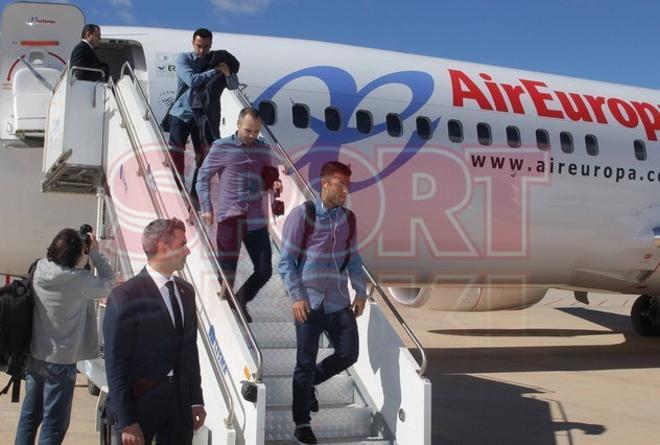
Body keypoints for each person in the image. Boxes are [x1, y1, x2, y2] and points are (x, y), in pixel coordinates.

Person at [278, 161, 368, 445]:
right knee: (304, 362)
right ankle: (302, 424)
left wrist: (361, 291)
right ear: (325, 184)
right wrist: (296, 296)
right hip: (309, 302)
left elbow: (353, 259)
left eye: (347, 186)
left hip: (338, 300)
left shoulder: (348, 219)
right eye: (340, 185)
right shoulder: (303, 215)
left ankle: (311, 386)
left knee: (349, 353)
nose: (345, 191)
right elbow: (286, 262)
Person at [103, 218, 205, 445]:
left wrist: (195, 399)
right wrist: (126, 420)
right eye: (182, 243)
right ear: (163, 247)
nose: (187, 250)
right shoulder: (125, 296)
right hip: (140, 407)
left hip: (179, 408)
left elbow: (189, 351)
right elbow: (115, 364)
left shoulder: (185, 292)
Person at [15, 228, 114, 445]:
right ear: (77, 255)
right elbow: (110, 281)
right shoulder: (78, 281)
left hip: (35, 356)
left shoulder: (40, 268)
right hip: (61, 362)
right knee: (55, 423)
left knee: (30, 417)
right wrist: (95, 253)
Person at [196, 107, 282, 322]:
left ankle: (241, 300)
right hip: (230, 216)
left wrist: (275, 182)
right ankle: (223, 317)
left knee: (264, 270)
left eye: (256, 131)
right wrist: (206, 208)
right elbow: (202, 178)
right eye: (248, 131)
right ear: (237, 125)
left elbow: (268, 174)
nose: (252, 136)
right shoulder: (222, 147)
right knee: (227, 272)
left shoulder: (263, 148)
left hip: (255, 218)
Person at [168, 28, 240, 200]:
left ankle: (194, 192)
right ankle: (177, 189)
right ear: (193, 43)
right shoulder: (183, 58)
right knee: (177, 149)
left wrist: (227, 72)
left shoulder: (215, 59)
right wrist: (215, 71)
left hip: (202, 115)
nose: (202, 51)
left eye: (206, 47)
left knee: (204, 154)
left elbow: (233, 86)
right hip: (182, 111)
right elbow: (192, 80)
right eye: (199, 46)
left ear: (211, 45)